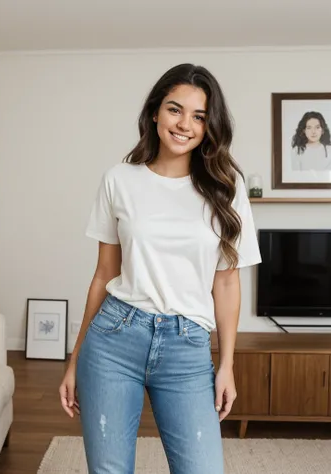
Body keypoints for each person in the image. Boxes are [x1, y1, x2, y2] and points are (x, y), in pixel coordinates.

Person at [59, 63, 262, 474]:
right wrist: (74, 359)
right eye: (175, 109)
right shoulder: (119, 179)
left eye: (199, 116)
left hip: (187, 347)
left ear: (209, 126)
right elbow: (103, 275)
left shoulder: (227, 187)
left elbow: (226, 282)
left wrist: (227, 365)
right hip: (115, 337)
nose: (184, 124)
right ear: (155, 112)